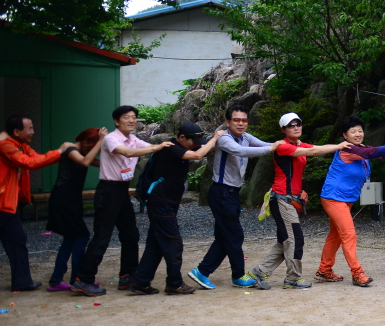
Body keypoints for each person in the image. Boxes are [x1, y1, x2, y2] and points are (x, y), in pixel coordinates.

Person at [0, 114, 70, 300]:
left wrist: (59, 153)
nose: (32, 132)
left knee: (17, 240)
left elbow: (36, 158)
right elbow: (30, 163)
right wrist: (59, 152)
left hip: (6, 203)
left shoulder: (19, 145)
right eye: (29, 128)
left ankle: (22, 281)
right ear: (16, 131)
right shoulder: (6, 146)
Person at [75, 106, 172, 297]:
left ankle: (127, 276)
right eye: (126, 117)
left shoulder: (133, 139)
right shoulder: (111, 139)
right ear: (116, 121)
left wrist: (173, 147)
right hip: (108, 190)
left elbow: (145, 148)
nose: (131, 120)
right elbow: (126, 152)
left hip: (122, 191)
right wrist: (157, 147)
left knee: (130, 234)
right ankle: (84, 279)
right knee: (102, 237)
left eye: (134, 117)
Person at [249, 112, 351, 290]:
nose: (296, 127)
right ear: (283, 129)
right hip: (281, 200)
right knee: (295, 239)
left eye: (298, 124)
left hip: (288, 200)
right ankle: (292, 279)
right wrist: (339, 146)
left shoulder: (298, 144)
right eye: (291, 125)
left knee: (285, 240)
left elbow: (316, 148)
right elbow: (312, 151)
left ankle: (260, 271)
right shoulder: (283, 146)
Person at [187, 105, 279, 290]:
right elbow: (241, 151)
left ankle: (202, 271)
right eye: (236, 120)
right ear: (228, 122)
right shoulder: (224, 139)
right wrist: (271, 149)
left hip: (231, 193)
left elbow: (264, 144)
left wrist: (286, 145)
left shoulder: (246, 137)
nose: (241, 123)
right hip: (222, 192)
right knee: (235, 235)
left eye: (244, 120)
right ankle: (237, 276)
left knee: (224, 236)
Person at [128, 123, 219, 295]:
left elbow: (203, 149)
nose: (196, 144)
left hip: (167, 202)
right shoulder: (171, 148)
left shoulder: (183, 146)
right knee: (173, 243)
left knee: (156, 243)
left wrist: (222, 140)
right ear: (182, 137)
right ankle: (174, 283)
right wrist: (215, 137)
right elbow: (198, 155)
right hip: (160, 202)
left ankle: (141, 281)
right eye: (194, 141)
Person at [315, 115, 385, 287]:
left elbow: (378, 152)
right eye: (353, 131)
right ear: (345, 135)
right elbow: (372, 153)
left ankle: (324, 270)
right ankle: (357, 273)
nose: (358, 134)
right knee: (349, 235)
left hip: (345, 198)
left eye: (360, 131)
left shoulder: (360, 149)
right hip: (334, 197)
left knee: (336, 235)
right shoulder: (348, 149)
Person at [44, 128, 106, 291]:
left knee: (71, 238)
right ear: (85, 141)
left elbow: (99, 163)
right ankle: (78, 278)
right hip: (63, 200)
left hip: (71, 200)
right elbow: (85, 162)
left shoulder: (82, 153)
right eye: (94, 147)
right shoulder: (71, 150)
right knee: (81, 236)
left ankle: (57, 280)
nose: (95, 151)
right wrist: (100, 141)